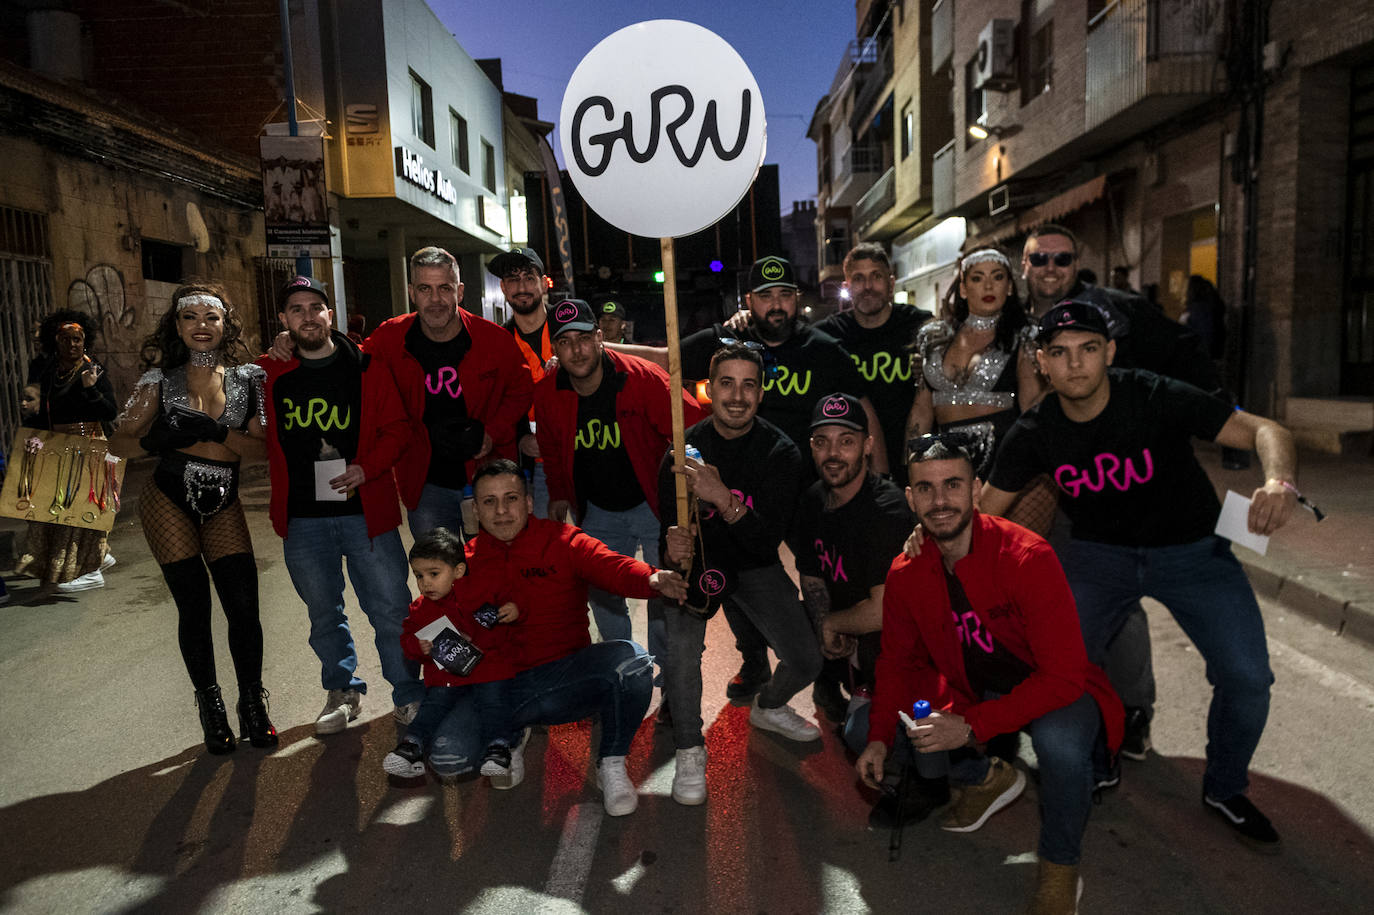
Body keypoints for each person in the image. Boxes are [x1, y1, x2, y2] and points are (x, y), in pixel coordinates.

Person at [984, 301, 1299, 852]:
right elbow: (985, 512)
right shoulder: (1036, 430)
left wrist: (1279, 482)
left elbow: (1265, 429)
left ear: (1109, 352)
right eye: (1060, 352)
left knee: (1248, 677)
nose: (1075, 364)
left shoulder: (1152, 394)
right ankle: (1097, 754)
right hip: (1099, 557)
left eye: (1088, 349)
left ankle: (1225, 786)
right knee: (1061, 668)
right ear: (1041, 362)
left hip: (1193, 553)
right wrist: (929, 539)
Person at [858, 434, 1123, 914]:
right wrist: (878, 737)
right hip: (972, 688)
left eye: (953, 484)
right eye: (926, 488)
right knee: (866, 727)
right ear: (911, 498)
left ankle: (1060, 865)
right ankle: (985, 779)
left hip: (1050, 685)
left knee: (1060, 748)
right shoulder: (906, 571)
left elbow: (1064, 676)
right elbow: (897, 662)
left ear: (976, 489)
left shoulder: (1027, 556)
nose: (940, 500)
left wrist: (971, 727)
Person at [613, 255, 884, 704]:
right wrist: (600, 349)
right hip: (734, 487)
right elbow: (665, 359)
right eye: (765, 296)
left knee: (820, 577)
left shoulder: (822, 347)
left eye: (784, 296)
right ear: (749, 301)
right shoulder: (728, 339)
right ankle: (753, 660)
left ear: (796, 300)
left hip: (808, 492)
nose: (775, 305)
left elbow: (863, 410)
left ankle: (827, 672)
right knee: (734, 569)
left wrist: (878, 481)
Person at [1020, 223, 1221, 756]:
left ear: (1076, 263)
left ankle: (1132, 711)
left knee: (1119, 598)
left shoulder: (1117, 310)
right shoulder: (1015, 318)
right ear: (1025, 266)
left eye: (1062, 259)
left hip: (1109, 481)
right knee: (1048, 602)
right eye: (1040, 259)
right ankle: (1072, 707)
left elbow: (1183, 349)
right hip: (1039, 478)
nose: (1051, 268)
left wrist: (1212, 414)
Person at [425, 460, 687, 815]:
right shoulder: (460, 565)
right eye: (489, 501)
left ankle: (611, 761)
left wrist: (652, 579)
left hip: (565, 677)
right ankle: (510, 736)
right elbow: (430, 626)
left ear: (529, 502)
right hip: (500, 689)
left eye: (511, 498)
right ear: (475, 510)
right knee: (448, 756)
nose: (501, 511)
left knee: (633, 664)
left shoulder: (562, 540)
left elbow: (612, 565)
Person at [258, 275, 425, 734]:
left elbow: (398, 430)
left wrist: (367, 468)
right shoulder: (267, 372)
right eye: (297, 309)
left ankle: (407, 693)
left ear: (330, 314)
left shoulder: (367, 367)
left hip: (365, 514)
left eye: (316, 307)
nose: (308, 316)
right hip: (303, 519)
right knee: (323, 613)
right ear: (284, 319)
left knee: (390, 608)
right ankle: (342, 691)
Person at [658, 344, 825, 805]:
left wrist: (721, 496)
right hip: (700, 563)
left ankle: (768, 705)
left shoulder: (781, 452)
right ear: (709, 389)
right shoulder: (682, 449)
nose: (737, 396)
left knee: (807, 658)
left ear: (761, 393)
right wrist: (672, 548)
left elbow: (764, 542)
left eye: (748, 385)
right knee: (681, 653)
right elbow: (666, 530)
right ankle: (690, 748)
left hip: (753, 563)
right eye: (727, 384)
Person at [113, 284, 276, 754]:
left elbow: (263, 450)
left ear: (226, 325)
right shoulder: (159, 381)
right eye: (190, 317)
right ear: (177, 326)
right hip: (168, 497)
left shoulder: (249, 379)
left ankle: (253, 704)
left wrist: (219, 432)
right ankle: (211, 707)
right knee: (194, 607)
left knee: (243, 607)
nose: (201, 326)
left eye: (211, 317)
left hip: (223, 496)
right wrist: (153, 442)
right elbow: (118, 442)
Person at [787, 393, 932, 826]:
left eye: (846, 441)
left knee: (861, 733)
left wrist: (834, 624)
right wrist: (824, 629)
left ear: (868, 446)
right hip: (854, 630)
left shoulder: (886, 510)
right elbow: (811, 577)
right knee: (794, 621)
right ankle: (837, 682)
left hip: (904, 646)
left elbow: (883, 611)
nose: (833, 453)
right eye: (823, 442)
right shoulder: (812, 500)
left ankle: (929, 777)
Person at [533, 298, 704, 656]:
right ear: (555, 350)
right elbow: (549, 444)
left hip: (653, 504)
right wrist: (559, 491)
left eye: (583, 338)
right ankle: (623, 663)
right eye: (565, 342)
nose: (576, 351)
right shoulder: (548, 392)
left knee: (666, 587)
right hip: (596, 508)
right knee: (603, 591)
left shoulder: (641, 378)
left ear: (599, 338)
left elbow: (693, 427)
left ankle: (666, 668)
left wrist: (691, 487)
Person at [360, 246, 533, 536]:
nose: (435, 300)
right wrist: (292, 343)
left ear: (459, 292)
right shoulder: (390, 339)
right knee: (437, 563)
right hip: (426, 484)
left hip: (487, 479)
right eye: (425, 289)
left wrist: (493, 432)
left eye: (445, 288)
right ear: (412, 293)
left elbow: (521, 389)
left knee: (493, 562)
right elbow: (346, 360)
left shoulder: (493, 340)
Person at [904, 246, 1052, 533]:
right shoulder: (932, 337)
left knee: (1008, 551)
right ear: (963, 288)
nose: (988, 286)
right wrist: (912, 465)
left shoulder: (1024, 335)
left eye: (997, 277)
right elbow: (921, 410)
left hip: (1006, 463)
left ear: (1010, 287)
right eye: (977, 278)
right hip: (947, 464)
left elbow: (1031, 409)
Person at [384, 527, 520, 782]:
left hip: (488, 669)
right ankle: (411, 746)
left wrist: (500, 620)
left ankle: (499, 747)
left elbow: (500, 632)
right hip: (446, 677)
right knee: (433, 705)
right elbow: (407, 638)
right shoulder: (420, 608)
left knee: (493, 701)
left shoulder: (479, 594)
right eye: (419, 575)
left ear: (458, 570)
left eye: (434, 574)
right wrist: (417, 646)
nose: (425, 582)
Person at [16, 310, 118, 598]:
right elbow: (40, 410)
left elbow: (110, 411)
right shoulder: (49, 372)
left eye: (78, 339)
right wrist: (34, 441)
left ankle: (90, 570)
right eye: (66, 339)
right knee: (54, 510)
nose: (73, 344)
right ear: (55, 341)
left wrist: (91, 389)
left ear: (85, 341)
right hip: (58, 447)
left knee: (78, 510)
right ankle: (97, 556)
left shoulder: (93, 370)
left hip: (89, 444)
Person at [814, 242, 932, 487]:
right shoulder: (829, 335)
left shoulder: (919, 325)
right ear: (847, 287)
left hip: (914, 456)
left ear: (891, 283)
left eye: (876, 277)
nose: (868, 286)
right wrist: (746, 319)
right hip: (852, 466)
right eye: (858, 278)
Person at [488, 246, 554, 516]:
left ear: (543, 283)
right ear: (503, 288)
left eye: (529, 277)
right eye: (513, 280)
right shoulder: (497, 343)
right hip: (532, 465)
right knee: (539, 534)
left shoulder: (570, 329)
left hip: (581, 455)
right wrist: (520, 439)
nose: (522, 287)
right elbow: (495, 404)